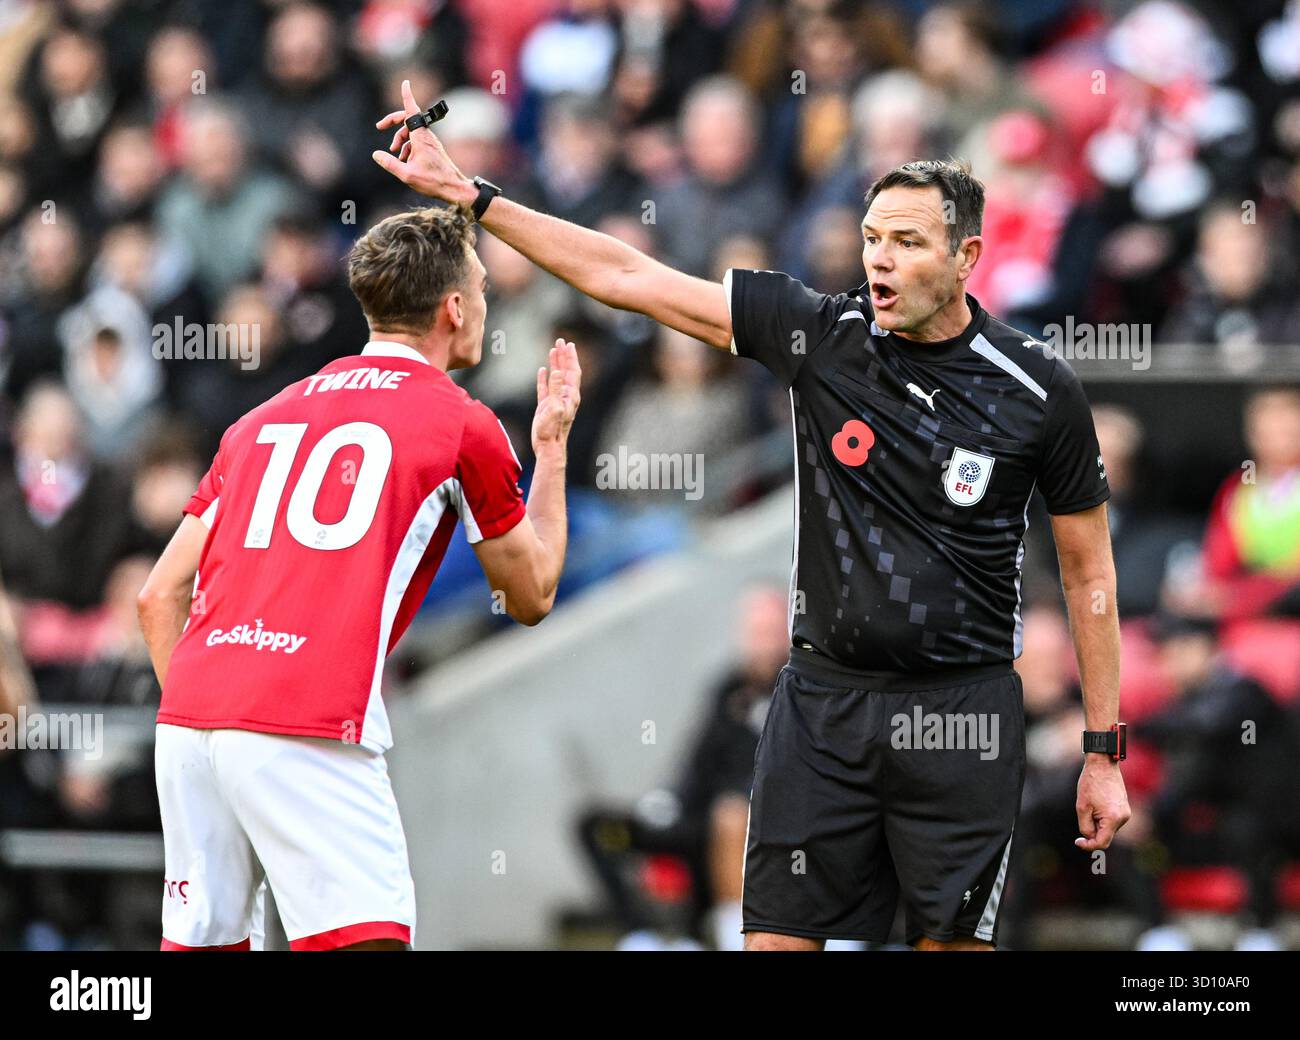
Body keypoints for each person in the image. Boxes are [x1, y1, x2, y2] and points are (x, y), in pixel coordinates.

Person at [374, 81, 1129, 951]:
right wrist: (475, 198)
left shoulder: (1037, 390)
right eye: (873, 239)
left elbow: (1088, 573)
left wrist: (1102, 750)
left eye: (909, 244)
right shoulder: (820, 335)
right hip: (822, 707)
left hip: (960, 716)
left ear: (966, 259)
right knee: (769, 942)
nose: (879, 261)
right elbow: (628, 275)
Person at [136, 205, 581, 950]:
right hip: (306, 720)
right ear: (455, 307)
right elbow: (530, 594)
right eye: (480, 288)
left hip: (189, 724)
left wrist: (211, 713)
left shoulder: (258, 420)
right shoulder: (462, 422)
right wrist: (554, 449)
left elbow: (156, 596)